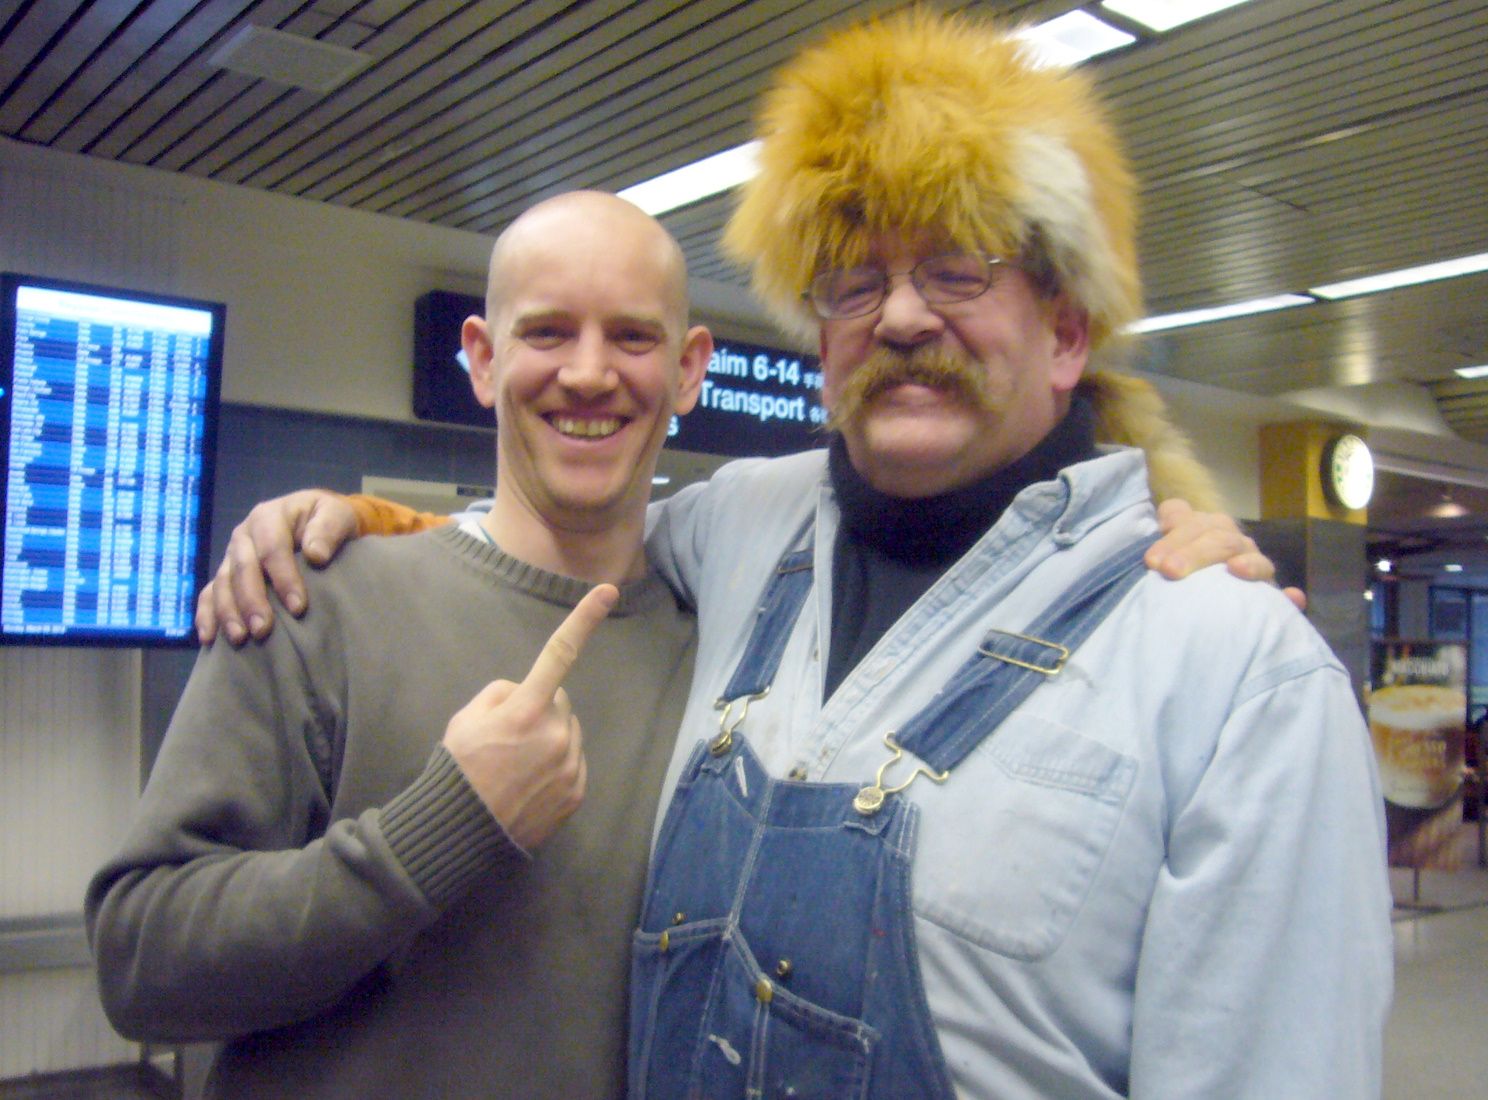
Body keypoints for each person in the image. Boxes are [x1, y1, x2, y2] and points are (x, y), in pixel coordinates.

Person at [624, 12, 1390, 1099]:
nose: (897, 315)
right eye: (852, 279)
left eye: (955, 269)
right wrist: (342, 534)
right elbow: (542, 561)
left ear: (1067, 333)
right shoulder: (739, 521)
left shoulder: (1232, 669)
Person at [84, 191, 711, 1097]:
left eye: (633, 337)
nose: (586, 373)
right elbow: (141, 962)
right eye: (546, 333)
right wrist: (437, 830)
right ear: (482, 360)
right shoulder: (314, 600)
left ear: (689, 368)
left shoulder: (727, 647)